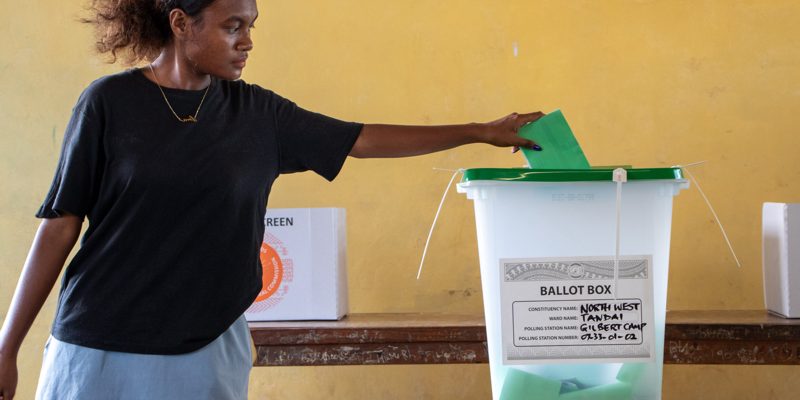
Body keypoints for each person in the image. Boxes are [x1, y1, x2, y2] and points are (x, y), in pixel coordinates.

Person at [0, 0, 544, 399]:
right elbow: (59, 227)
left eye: (251, 26)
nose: (247, 41)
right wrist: (6, 347)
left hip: (205, 351)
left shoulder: (259, 116)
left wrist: (480, 131)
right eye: (232, 26)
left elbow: (361, 139)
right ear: (181, 23)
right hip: (99, 348)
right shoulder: (108, 105)